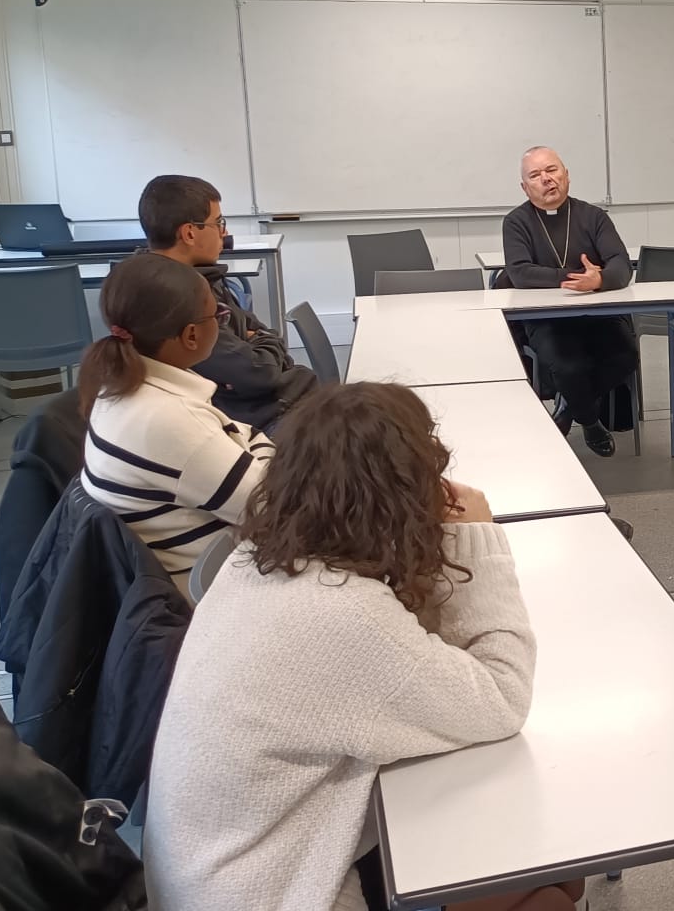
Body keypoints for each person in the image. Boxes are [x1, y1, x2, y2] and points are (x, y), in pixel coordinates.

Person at [143, 382, 569, 911]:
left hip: (219, 871)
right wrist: (478, 538)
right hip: (273, 891)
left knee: (546, 871)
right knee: (548, 892)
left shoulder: (256, 559)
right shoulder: (341, 614)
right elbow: (503, 698)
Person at [79, 254, 272, 596]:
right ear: (191, 335)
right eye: (219, 315)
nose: (222, 321)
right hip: (216, 590)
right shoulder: (170, 421)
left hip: (190, 566)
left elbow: (246, 433)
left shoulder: (118, 387)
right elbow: (275, 507)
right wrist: (265, 456)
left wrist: (255, 450)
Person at [139, 174, 318, 431]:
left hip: (260, 400)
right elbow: (258, 372)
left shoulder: (205, 277)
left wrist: (259, 340)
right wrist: (259, 342)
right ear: (189, 233)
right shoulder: (175, 299)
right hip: (242, 418)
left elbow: (259, 331)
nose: (225, 233)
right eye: (218, 223)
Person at [501, 145, 637, 458]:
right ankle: (589, 421)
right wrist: (577, 278)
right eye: (535, 175)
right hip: (548, 319)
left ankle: (568, 408)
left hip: (598, 315)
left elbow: (621, 264)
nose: (546, 179)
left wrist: (599, 281)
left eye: (552, 170)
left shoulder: (593, 217)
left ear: (566, 175)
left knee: (625, 357)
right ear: (525, 187)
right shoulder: (516, 222)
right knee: (568, 366)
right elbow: (520, 273)